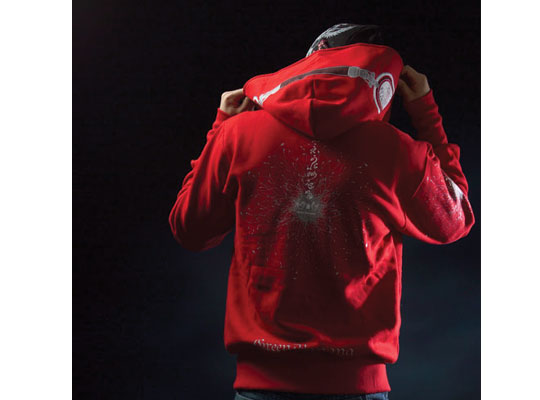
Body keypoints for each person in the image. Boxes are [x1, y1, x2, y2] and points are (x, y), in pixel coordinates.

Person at [168, 23, 475, 400]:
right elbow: (454, 220)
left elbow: (189, 229)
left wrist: (221, 127)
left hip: (260, 385)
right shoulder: (395, 149)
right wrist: (426, 112)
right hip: (356, 387)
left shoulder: (238, 135)